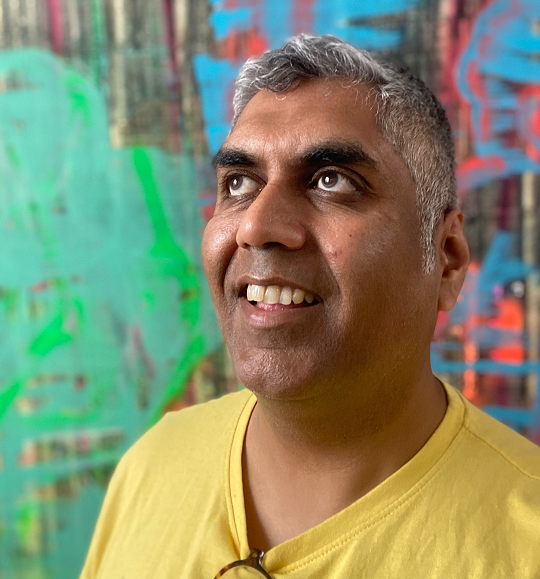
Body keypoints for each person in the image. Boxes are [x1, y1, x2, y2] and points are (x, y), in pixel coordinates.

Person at [80, 34, 540, 579]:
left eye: (331, 181)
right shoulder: (152, 468)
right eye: (239, 182)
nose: (256, 225)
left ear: (446, 258)